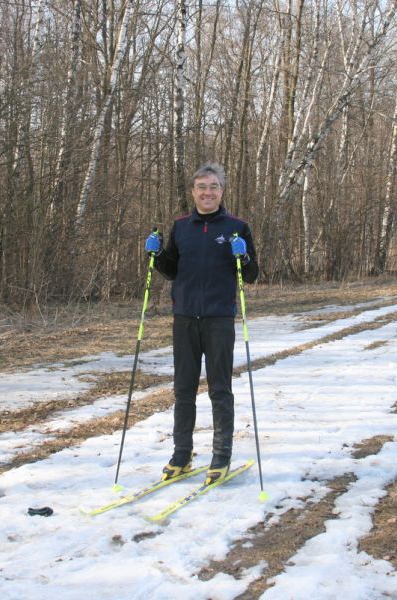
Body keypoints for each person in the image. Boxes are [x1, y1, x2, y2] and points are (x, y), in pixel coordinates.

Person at [144, 162, 259, 485]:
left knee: (220, 390)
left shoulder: (237, 226)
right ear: (193, 191)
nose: (207, 193)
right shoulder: (181, 227)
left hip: (219, 318)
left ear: (222, 191)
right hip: (184, 319)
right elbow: (171, 269)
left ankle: (221, 455)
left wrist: (244, 256)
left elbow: (251, 275)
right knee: (184, 390)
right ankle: (182, 454)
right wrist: (154, 255)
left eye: (214, 187)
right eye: (202, 187)